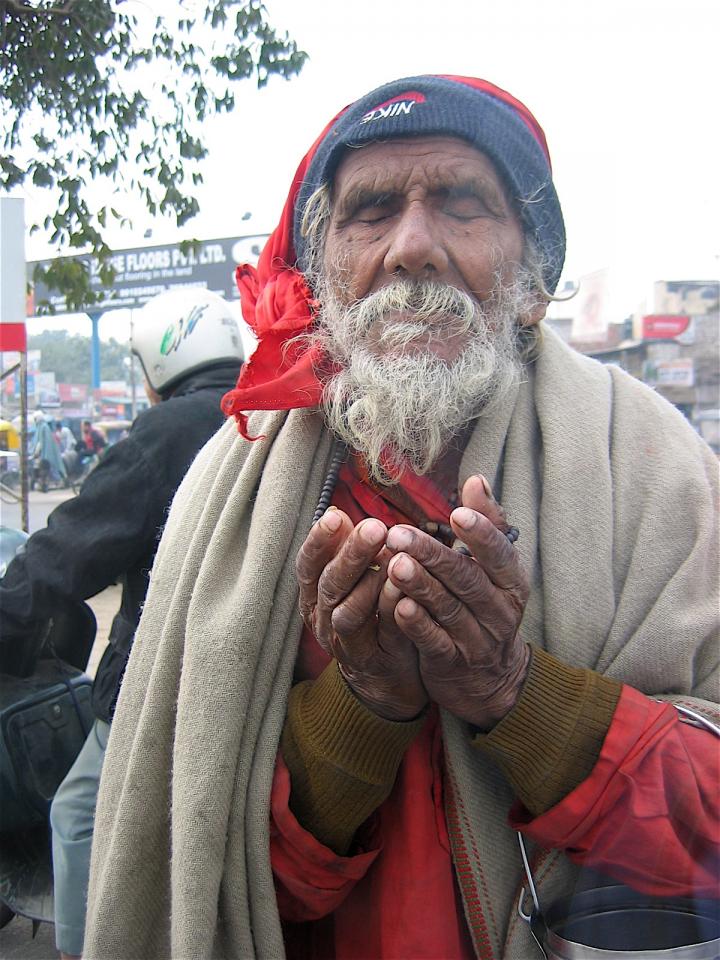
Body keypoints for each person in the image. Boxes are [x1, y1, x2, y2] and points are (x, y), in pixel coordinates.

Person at [84, 76, 718, 960]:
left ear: (534, 279)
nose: (411, 246)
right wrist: (363, 707)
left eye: (461, 203)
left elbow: (707, 847)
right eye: (371, 210)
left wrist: (516, 695)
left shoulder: (657, 468)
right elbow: (208, 879)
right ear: (325, 269)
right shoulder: (233, 491)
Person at [0, 288, 245, 960]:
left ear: (161, 361)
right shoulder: (266, 412)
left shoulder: (167, 432)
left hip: (160, 678)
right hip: (254, 675)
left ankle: (90, 948)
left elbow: (70, 549)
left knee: (79, 815)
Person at [32, 410, 67, 490]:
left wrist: (36, 452)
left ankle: (58, 481)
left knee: (51, 467)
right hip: (43, 453)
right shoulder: (41, 427)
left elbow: (40, 442)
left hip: (47, 453)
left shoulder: (43, 427)